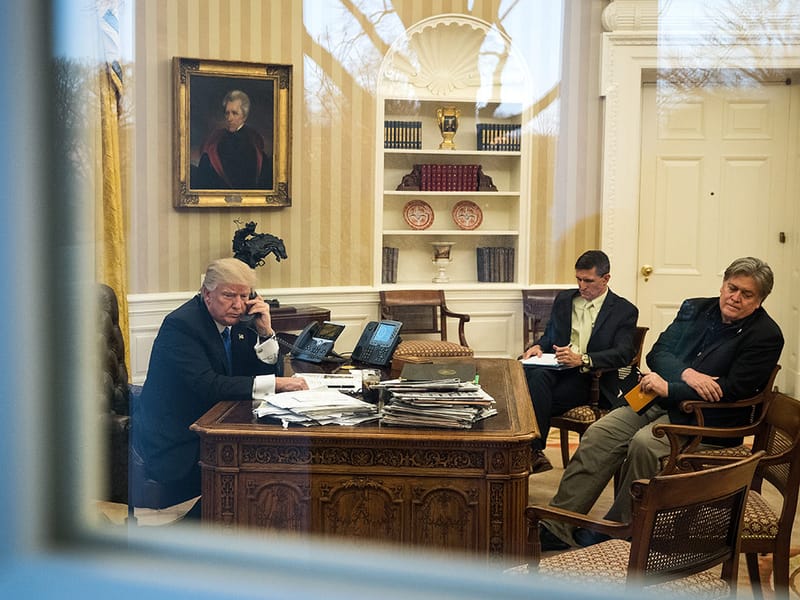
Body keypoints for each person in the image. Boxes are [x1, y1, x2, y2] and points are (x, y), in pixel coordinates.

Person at [539, 256, 785, 550]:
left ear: (759, 301)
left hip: (710, 419)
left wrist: (671, 386)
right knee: (600, 433)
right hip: (657, 399)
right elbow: (659, 353)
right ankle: (559, 525)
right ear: (723, 285)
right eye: (732, 288)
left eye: (747, 294)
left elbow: (731, 389)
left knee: (644, 444)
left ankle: (622, 529)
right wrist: (689, 375)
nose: (735, 298)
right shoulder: (695, 307)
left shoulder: (767, 335)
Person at [133, 258, 307, 514]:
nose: (237, 305)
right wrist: (278, 384)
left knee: (270, 462)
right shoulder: (182, 325)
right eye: (228, 295)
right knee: (257, 467)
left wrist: (266, 333)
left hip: (212, 430)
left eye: (244, 296)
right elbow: (210, 385)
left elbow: (257, 375)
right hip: (177, 443)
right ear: (206, 294)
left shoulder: (238, 325)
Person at [522, 250, 638, 473]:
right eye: (578, 279)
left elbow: (624, 353)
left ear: (605, 279)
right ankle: (533, 453)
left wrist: (583, 359)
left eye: (588, 280)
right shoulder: (565, 299)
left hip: (591, 378)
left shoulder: (624, 310)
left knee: (528, 396)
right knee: (528, 377)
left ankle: (530, 452)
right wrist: (537, 346)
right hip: (557, 370)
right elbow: (550, 336)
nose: (582, 286)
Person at [194, 89, 273, 189]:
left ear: (244, 116)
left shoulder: (254, 143)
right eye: (227, 113)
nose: (229, 118)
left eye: (234, 113)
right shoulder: (216, 140)